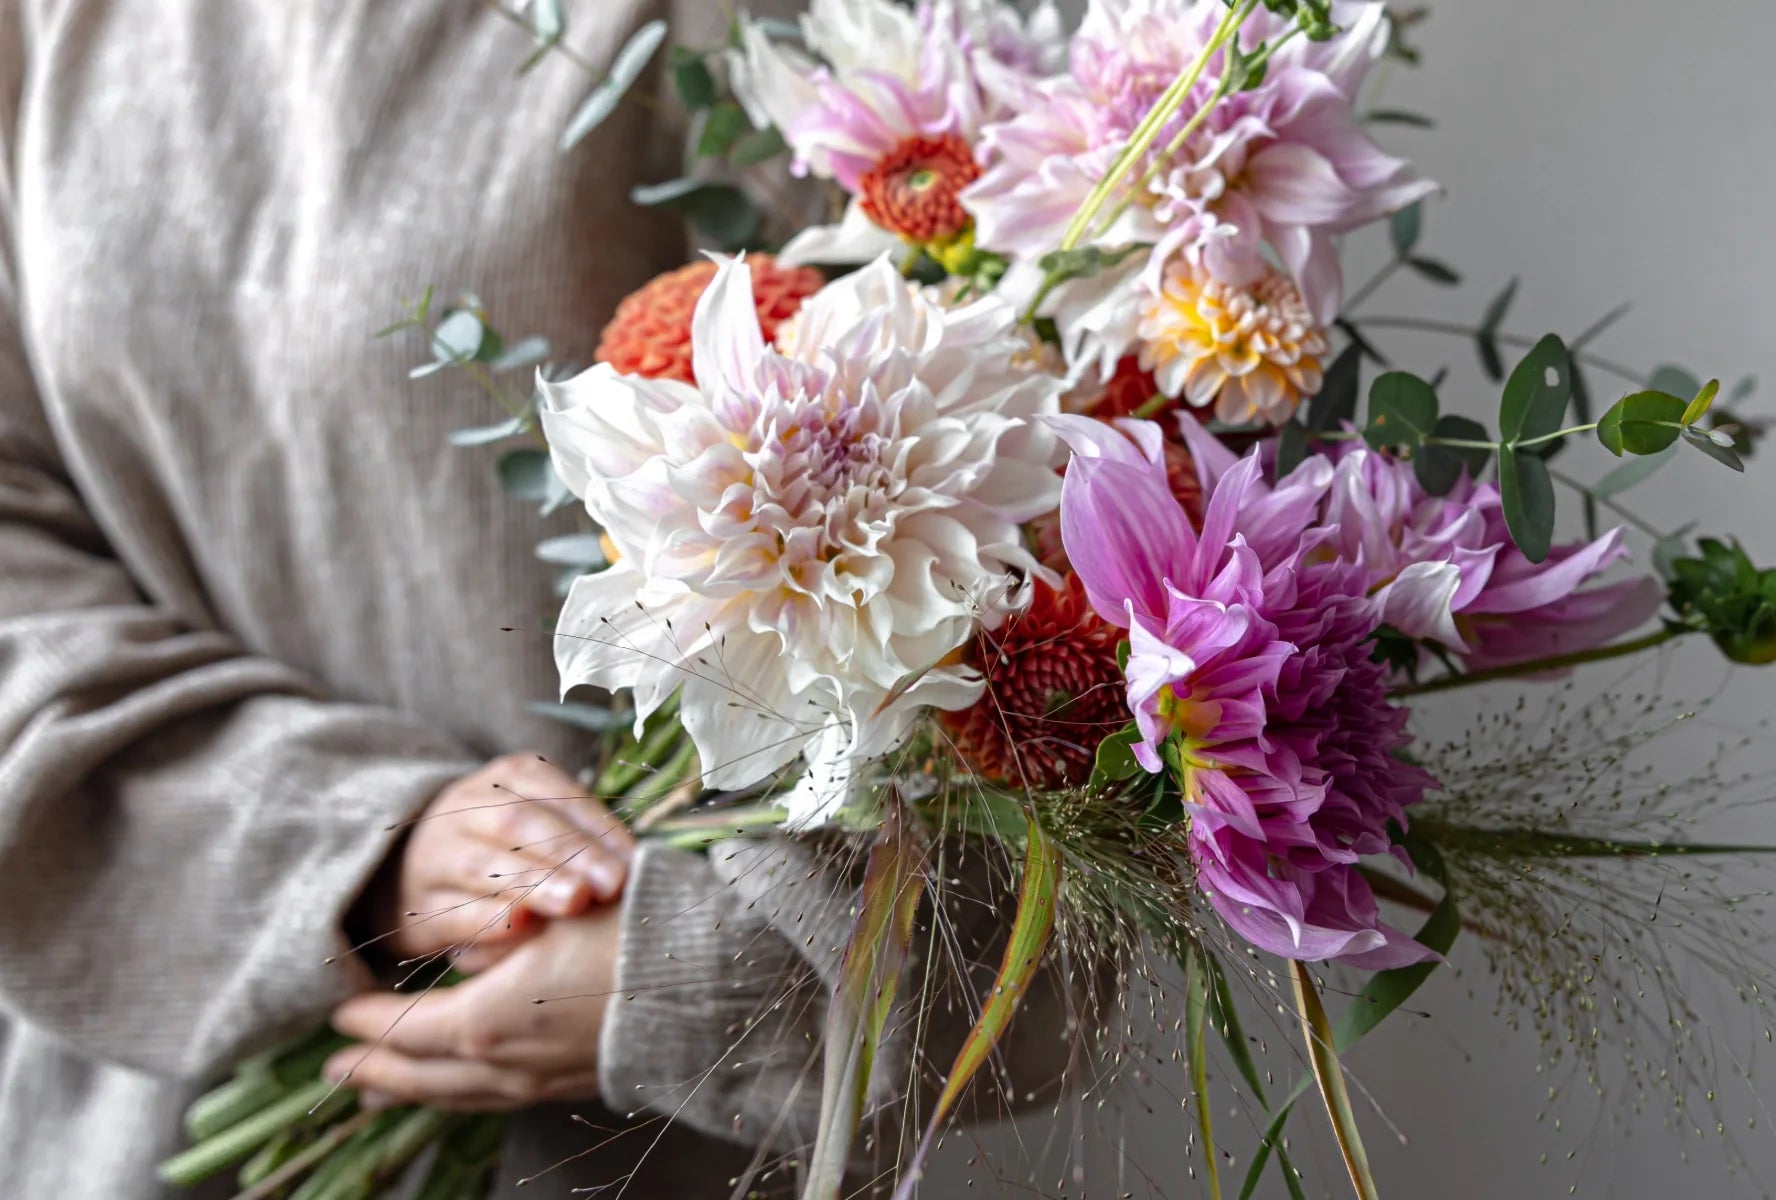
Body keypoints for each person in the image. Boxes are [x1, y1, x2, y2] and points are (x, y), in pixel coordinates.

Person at [0, 3, 1046, 1195]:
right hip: (124, 1123)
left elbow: (1015, 656)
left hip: (621, 1142)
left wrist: (688, 967)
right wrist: (349, 847)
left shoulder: (778, 38)